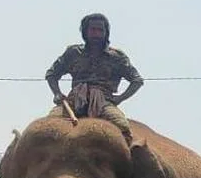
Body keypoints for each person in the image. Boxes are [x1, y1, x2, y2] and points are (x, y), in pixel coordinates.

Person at [46, 12, 144, 144]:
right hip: (74, 100)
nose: (96, 34)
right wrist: (57, 93)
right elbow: (52, 74)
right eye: (92, 29)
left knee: (122, 127)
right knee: (48, 126)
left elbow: (137, 80)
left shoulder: (117, 56)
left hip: (104, 101)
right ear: (85, 31)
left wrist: (120, 98)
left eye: (100, 30)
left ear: (106, 32)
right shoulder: (73, 52)